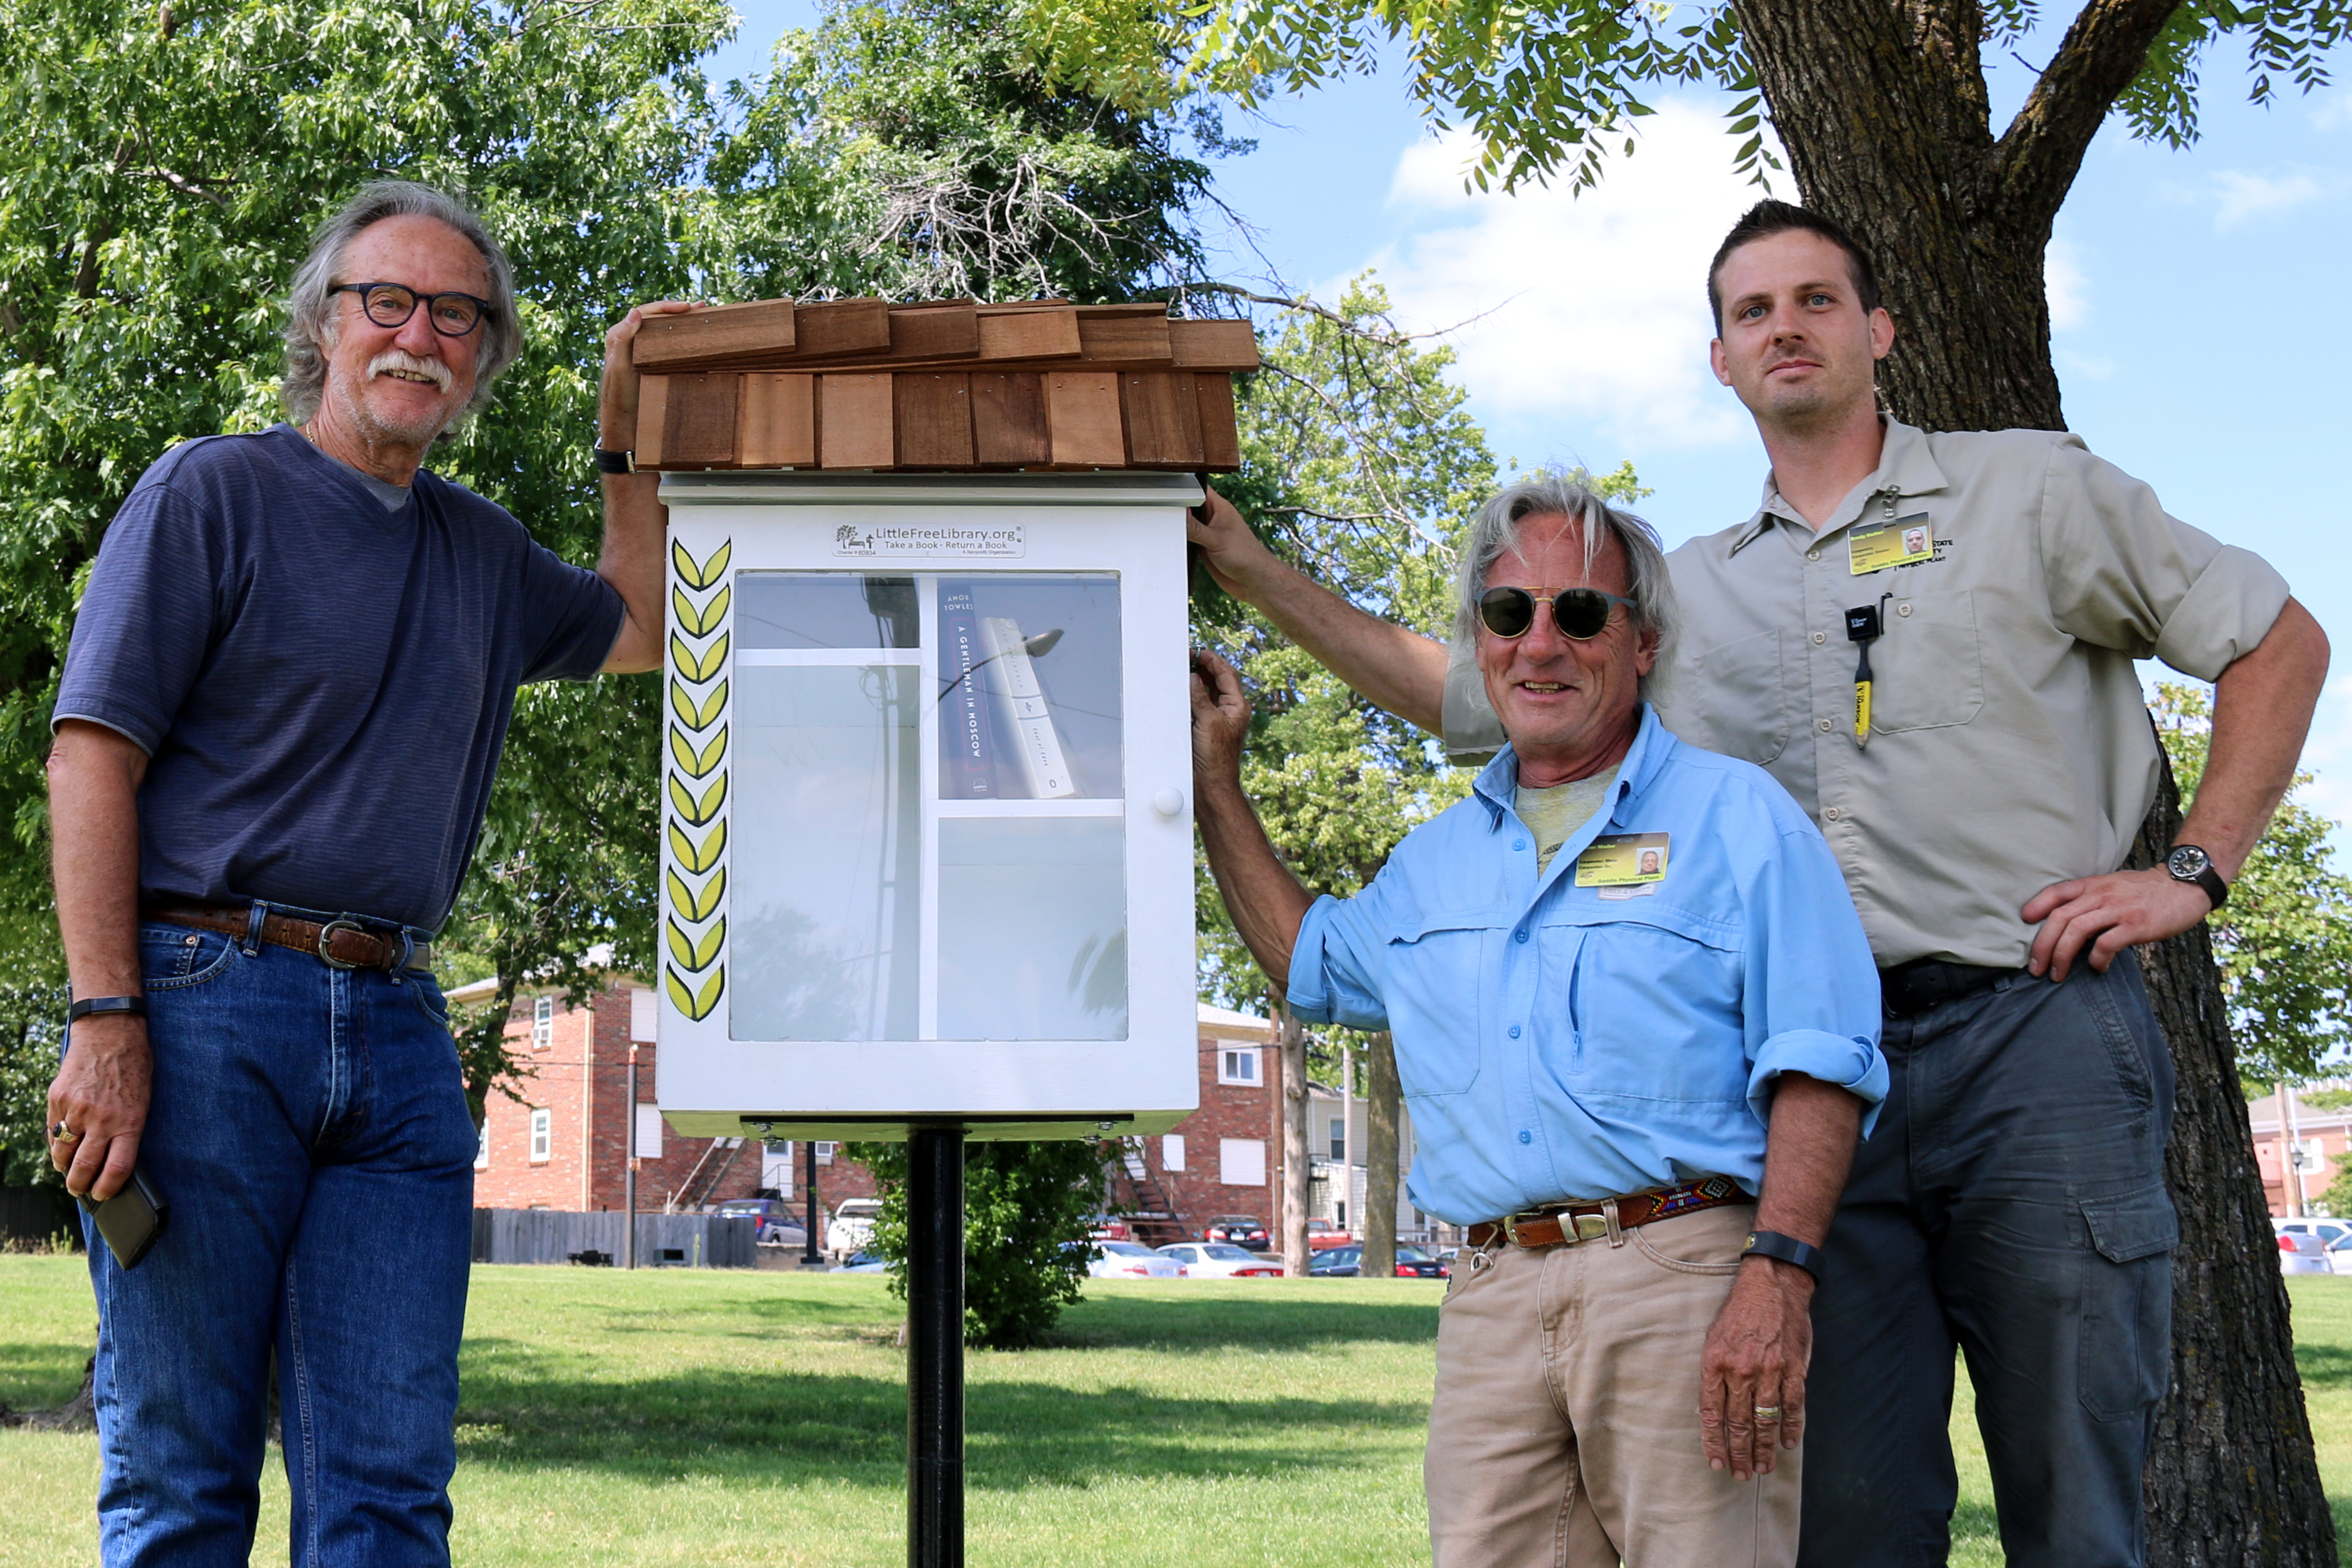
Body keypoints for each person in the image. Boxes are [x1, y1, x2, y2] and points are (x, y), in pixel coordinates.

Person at [1186, 199, 2329, 1566]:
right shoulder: (1683, 595)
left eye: (1813, 300)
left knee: (2072, 1493)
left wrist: (2189, 873)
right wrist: (1251, 573)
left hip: (2032, 1033)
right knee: (1840, 1510)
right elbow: (1478, 689)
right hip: (1806, 1089)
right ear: (1718, 360)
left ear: (1875, 330)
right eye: (1749, 311)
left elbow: (2275, 638)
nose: (1782, 327)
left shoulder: (2029, 493)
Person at [41, 180, 687, 1564]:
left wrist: (624, 421)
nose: (419, 335)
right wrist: (105, 1021)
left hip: (399, 1034)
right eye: (385, 302)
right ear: (324, 327)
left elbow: (637, 624)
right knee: (180, 1478)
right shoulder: (212, 494)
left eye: (458, 314)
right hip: (202, 1008)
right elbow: (90, 759)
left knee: (390, 1492)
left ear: (484, 358)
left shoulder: (485, 554)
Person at [1192, 475, 1887, 1567]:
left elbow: (1821, 1060)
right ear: (1480, 639)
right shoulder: (1435, 861)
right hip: (1488, 1296)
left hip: (1684, 1282)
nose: (1542, 643)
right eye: (1510, 614)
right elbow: (1311, 964)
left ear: (1643, 640)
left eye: (1581, 611)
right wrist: (1213, 783)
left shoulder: (1736, 816)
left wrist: (1778, 1273)